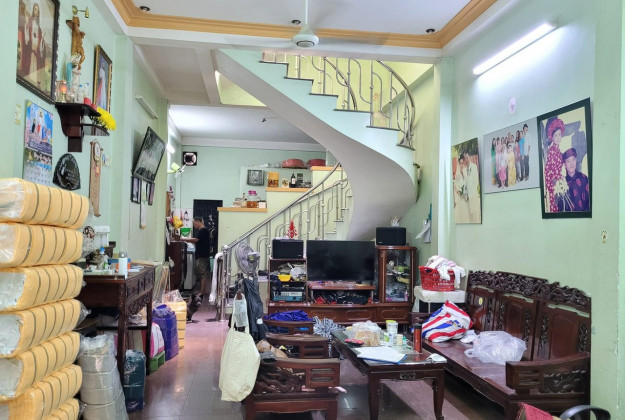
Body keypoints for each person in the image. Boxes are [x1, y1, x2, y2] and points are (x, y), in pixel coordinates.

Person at [181, 216, 212, 317]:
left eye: (194, 223)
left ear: (198, 222)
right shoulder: (204, 230)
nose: (194, 226)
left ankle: (202, 290)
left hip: (202, 255)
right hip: (203, 255)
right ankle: (202, 290)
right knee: (202, 273)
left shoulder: (203, 230)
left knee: (202, 273)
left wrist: (184, 239)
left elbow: (196, 240)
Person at [544, 117, 565, 212]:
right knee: (555, 208)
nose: (558, 137)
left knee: (560, 207)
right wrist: (553, 185)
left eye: (559, 134)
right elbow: (547, 171)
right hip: (554, 186)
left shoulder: (558, 151)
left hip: (559, 184)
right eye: (555, 135)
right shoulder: (552, 151)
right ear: (552, 137)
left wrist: (561, 178)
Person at [558, 148, 589, 212]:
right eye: (568, 161)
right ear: (565, 165)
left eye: (573, 160)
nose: (571, 163)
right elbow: (561, 208)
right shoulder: (562, 184)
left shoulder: (584, 178)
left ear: (576, 161)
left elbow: (589, 202)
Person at [464, 151, 481, 223]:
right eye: (465, 158)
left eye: (467, 157)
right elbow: (465, 183)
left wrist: (471, 193)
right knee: (469, 217)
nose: (466, 159)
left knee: (475, 216)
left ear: (469, 157)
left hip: (473, 195)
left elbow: (476, 181)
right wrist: (466, 194)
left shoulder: (474, 166)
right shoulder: (465, 169)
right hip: (467, 197)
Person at [453, 154, 470, 223]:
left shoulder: (465, 172)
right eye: (460, 163)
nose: (461, 165)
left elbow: (467, 183)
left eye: (462, 163)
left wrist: (466, 194)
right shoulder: (457, 174)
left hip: (466, 197)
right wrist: (460, 193)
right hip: (460, 197)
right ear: (459, 164)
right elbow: (455, 186)